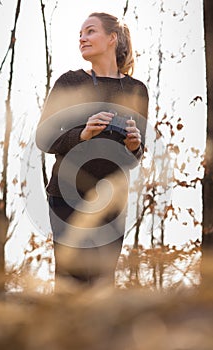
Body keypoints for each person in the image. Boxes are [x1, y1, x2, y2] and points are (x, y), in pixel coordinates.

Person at [36, 12, 149, 287]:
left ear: (112, 38)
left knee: (101, 284)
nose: (82, 38)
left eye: (90, 31)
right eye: (80, 34)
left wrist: (135, 146)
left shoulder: (136, 90)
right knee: (70, 283)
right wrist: (83, 134)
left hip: (111, 202)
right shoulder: (70, 82)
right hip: (67, 197)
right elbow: (44, 138)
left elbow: (134, 157)